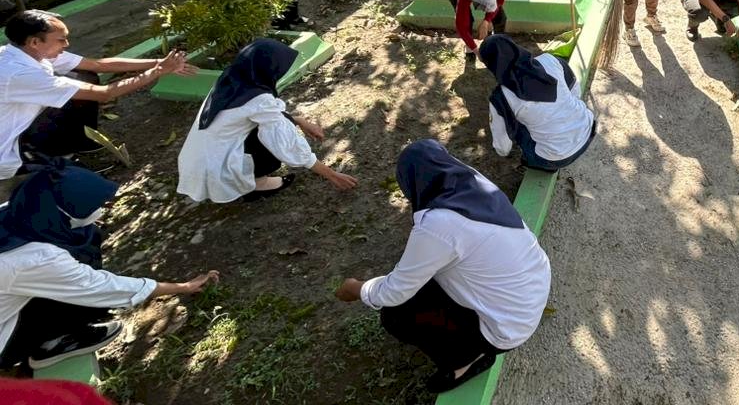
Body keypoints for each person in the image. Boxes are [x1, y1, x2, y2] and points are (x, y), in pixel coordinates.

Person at [334, 140, 551, 394]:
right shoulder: (473, 182)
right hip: (531, 291)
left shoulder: (437, 225)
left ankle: (466, 360)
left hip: (506, 328)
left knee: (397, 315)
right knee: (426, 280)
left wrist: (357, 289)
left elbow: (393, 292)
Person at [0, 163, 218, 370]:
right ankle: (53, 344)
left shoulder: (16, 211)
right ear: (64, 212)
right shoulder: (36, 259)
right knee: (84, 287)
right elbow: (104, 287)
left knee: (81, 245)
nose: (101, 210)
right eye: (93, 207)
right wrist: (184, 287)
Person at [1, 10, 195, 181]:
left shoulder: (25, 52)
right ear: (35, 42)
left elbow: (99, 65)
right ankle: (53, 157)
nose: (66, 44)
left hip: (23, 125)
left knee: (84, 76)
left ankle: (80, 146)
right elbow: (105, 94)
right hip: (12, 151)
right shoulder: (19, 74)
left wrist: (158, 62)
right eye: (61, 39)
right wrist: (158, 71)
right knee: (82, 93)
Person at [177, 38, 358, 203]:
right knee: (272, 137)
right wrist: (332, 175)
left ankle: (247, 179)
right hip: (217, 169)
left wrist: (300, 120)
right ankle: (256, 184)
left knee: (274, 124)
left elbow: (265, 114)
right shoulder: (258, 99)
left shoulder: (233, 79)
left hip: (196, 161)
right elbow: (287, 144)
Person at [479, 36, 595, 171]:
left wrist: (503, 152)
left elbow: (503, 146)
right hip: (589, 128)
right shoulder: (549, 60)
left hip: (556, 158)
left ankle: (538, 164)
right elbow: (574, 87)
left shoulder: (501, 97)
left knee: (515, 124)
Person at [440, 0, 507, 59]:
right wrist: (478, 52)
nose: (485, 6)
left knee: (500, 18)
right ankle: (469, 49)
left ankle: (498, 45)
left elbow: (499, 2)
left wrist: (486, 21)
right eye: (482, 3)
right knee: (468, 20)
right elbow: (461, 25)